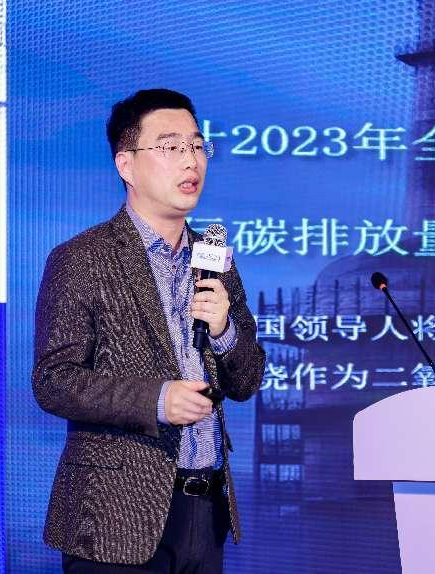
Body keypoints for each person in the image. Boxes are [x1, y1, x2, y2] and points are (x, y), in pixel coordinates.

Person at [32, 88, 265, 574]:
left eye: (197, 146)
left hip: (206, 508)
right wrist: (157, 400)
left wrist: (224, 329)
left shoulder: (215, 258)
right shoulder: (83, 259)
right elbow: (53, 380)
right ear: (127, 165)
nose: (191, 160)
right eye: (171, 147)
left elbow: (246, 381)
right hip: (115, 516)